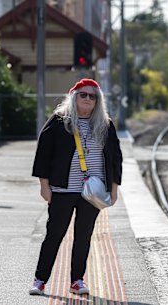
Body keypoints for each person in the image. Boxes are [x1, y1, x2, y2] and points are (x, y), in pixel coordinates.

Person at [29, 78, 123, 295]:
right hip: (63, 189)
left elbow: (115, 158)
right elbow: (43, 154)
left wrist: (114, 188)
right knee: (54, 234)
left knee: (84, 236)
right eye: (84, 95)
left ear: (98, 100)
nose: (88, 99)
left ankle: (77, 281)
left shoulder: (105, 125)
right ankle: (40, 280)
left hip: (93, 192)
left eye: (93, 96)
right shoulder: (59, 122)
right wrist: (44, 186)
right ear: (74, 97)